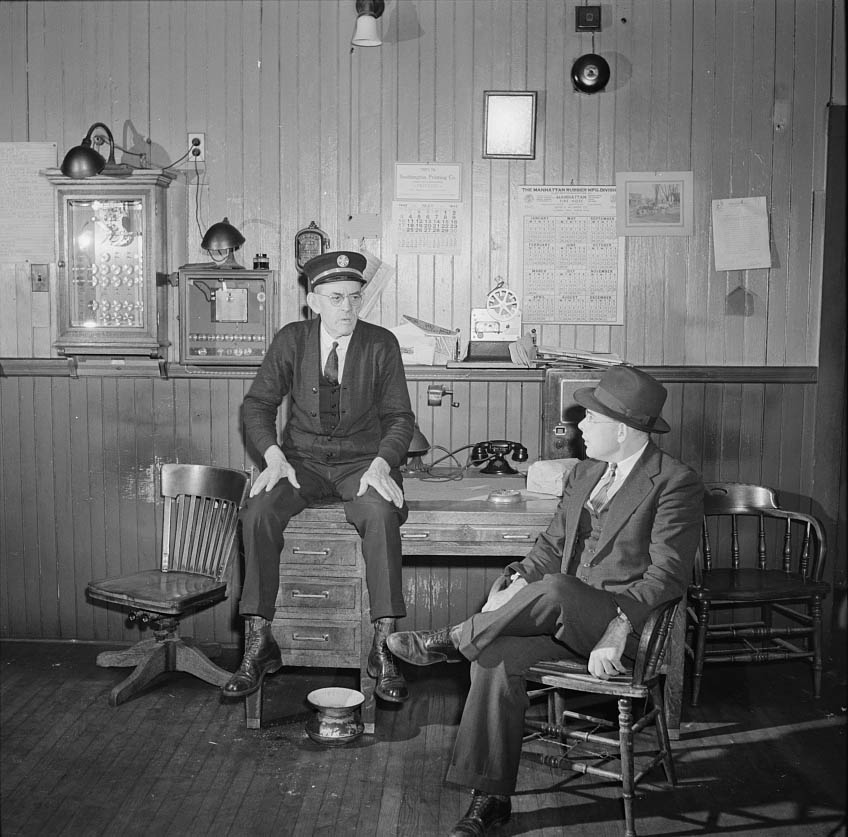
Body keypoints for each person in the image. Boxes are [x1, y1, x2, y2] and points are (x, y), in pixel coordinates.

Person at [387, 365, 704, 837]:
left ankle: (452, 639)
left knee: (556, 588)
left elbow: (668, 575)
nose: (578, 428)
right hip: (561, 621)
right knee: (493, 657)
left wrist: (618, 627)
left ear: (622, 428)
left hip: (623, 631)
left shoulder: (674, 481)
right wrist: (514, 582)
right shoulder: (584, 472)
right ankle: (490, 798)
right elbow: (550, 548)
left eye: (589, 419)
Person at [223, 251, 415, 704]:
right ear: (313, 301)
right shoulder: (292, 340)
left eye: (355, 297)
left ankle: (383, 646)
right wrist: (272, 457)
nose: (348, 307)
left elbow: (400, 417)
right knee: (258, 512)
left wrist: (382, 463)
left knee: (382, 515)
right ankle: (258, 642)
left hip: (362, 464)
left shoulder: (380, 343)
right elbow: (257, 405)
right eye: (336, 298)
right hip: (301, 462)